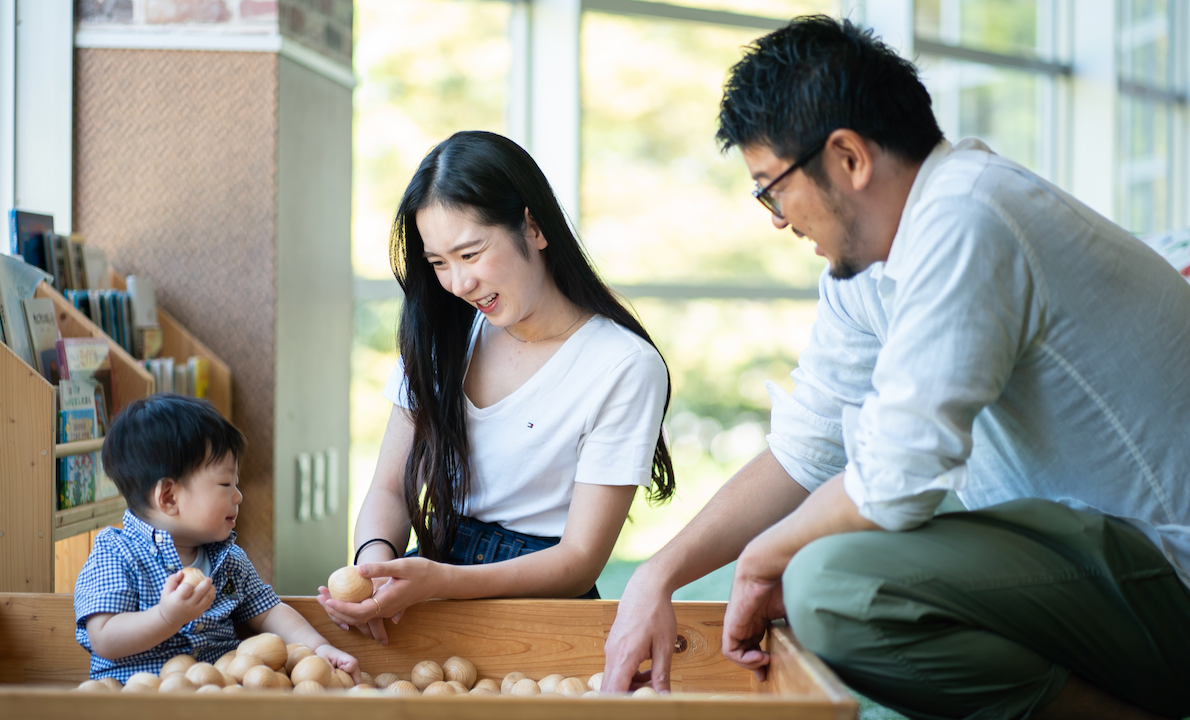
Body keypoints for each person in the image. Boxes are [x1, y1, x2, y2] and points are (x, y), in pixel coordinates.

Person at [603, 15, 1190, 720]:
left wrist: (761, 559)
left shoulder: (969, 217)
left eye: (771, 188)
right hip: (1096, 557)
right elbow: (807, 446)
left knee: (830, 582)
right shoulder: (873, 269)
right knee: (823, 556)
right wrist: (655, 577)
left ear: (848, 157)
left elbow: (895, 483)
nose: (776, 220)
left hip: (1168, 573)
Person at [318, 131, 676, 645]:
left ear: (532, 227)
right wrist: (375, 571)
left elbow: (578, 562)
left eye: (470, 253)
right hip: (428, 589)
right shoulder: (441, 336)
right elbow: (391, 489)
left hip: (542, 609)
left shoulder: (622, 364)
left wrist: (441, 580)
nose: (457, 284)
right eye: (438, 263)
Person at [74, 393, 360, 681]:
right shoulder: (115, 553)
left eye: (236, 483)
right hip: (137, 700)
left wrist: (319, 647)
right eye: (225, 483)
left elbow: (270, 611)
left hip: (219, 697)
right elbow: (103, 638)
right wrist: (166, 617)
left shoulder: (229, 560)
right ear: (169, 497)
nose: (238, 495)